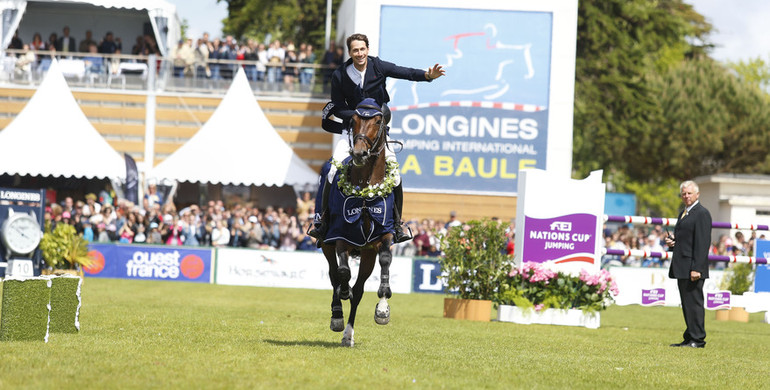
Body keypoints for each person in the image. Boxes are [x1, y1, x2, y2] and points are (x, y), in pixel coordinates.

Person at [308, 32, 445, 245]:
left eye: (362, 49)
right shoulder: (340, 75)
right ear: (350, 52)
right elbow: (336, 106)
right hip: (351, 132)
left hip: (377, 135)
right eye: (355, 50)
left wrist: (427, 76)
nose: (359, 53)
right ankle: (322, 221)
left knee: (396, 173)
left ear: (367, 50)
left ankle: (397, 225)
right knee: (332, 170)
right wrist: (357, 117)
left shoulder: (378, 66)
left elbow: (405, 72)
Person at [665, 180, 712, 349]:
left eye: (689, 193)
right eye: (684, 193)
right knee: (687, 304)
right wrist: (673, 242)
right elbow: (685, 240)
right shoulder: (683, 213)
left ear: (697, 194)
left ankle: (698, 339)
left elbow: (702, 243)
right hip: (682, 266)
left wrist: (697, 268)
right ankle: (690, 336)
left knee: (694, 303)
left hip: (693, 268)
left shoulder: (702, 213)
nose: (686, 196)